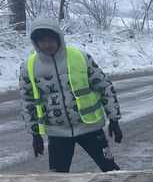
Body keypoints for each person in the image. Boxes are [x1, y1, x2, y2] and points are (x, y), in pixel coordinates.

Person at [19, 16, 123, 173]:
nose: (47, 45)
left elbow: (105, 87)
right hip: (57, 132)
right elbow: (28, 102)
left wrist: (114, 119)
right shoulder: (29, 66)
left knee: (111, 171)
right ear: (36, 42)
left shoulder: (80, 57)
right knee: (57, 180)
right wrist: (35, 134)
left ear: (58, 37)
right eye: (42, 40)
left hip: (90, 128)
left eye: (50, 39)